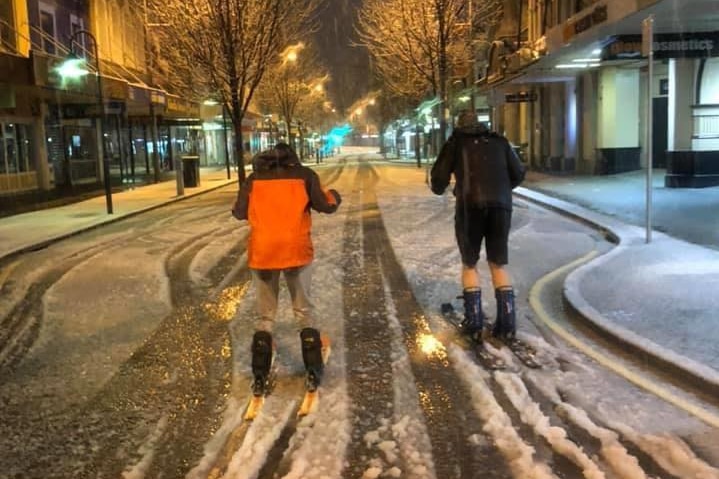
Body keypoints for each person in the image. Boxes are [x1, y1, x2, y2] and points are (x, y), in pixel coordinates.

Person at [232, 143, 341, 394]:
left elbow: (239, 212)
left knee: (265, 315)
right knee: (303, 310)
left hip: (263, 251)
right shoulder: (304, 176)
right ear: (293, 157)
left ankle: (259, 372)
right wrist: (335, 195)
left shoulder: (254, 179)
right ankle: (312, 366)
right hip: (296, 249)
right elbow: (326, 204)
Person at [430, 111, 525, 342]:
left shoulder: (455, 143)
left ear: (459, 126)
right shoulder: (500, 142)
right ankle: (508, 322)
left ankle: (473, 322)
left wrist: (444, 185)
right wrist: (499, 190)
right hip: (501, 208)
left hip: (470, 208)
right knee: (497, 262)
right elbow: (519, 174)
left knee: (469, 263)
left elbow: (438, 181)